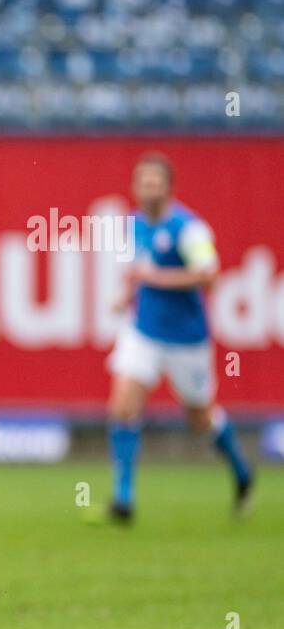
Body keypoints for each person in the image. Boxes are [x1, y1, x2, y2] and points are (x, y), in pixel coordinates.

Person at [106, 153, 254, 522]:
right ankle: (123, 498)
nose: (147, 189)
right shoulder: (133, 225)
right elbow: (136, 271)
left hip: (188, 339)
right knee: (123, 402)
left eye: (155, 182)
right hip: (144, 332)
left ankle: (241, 469)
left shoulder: (190, 230)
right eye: (142, 182)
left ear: (169, 188)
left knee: (199, 417)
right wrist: (127, 295)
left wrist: (153, 278)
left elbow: (208, 276)